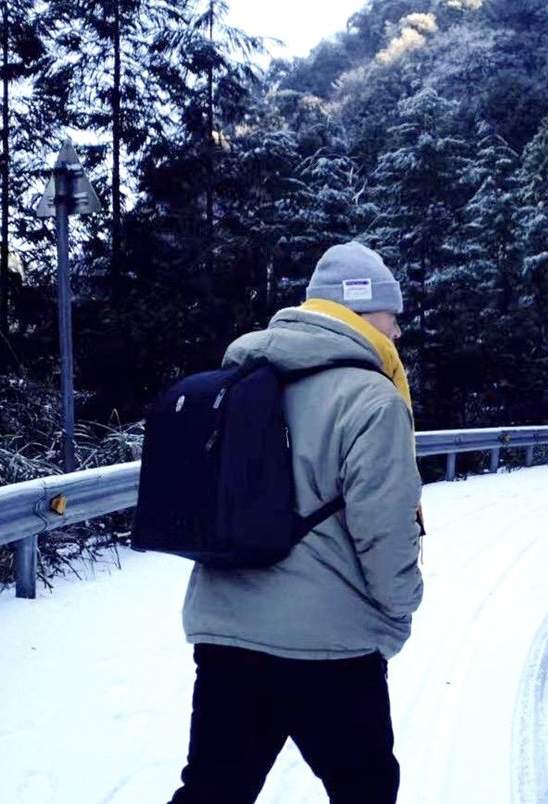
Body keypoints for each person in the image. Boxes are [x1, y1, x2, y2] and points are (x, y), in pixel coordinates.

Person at [169, 241, 424, 804]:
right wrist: (401, 607)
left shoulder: (244, 375)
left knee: (212, 792)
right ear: (360, 312)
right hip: (330, 648)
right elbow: (385, 529)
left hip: (224, 633)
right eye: (392, 315)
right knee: (366, 791)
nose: (398, 330)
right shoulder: (373, 398)